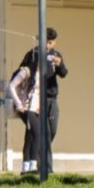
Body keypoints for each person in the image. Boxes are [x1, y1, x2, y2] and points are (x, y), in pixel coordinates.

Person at [16, 29, 67, 167]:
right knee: (34, 132)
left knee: (51, 131)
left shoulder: (56, 55)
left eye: (51, 43)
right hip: (35, 98)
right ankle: (37, 167)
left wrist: (60, 64)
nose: (48, 46)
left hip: (51, 98)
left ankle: (38, 160)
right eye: (46, 42)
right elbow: (21, 72)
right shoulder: (32, 54)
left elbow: (64, 73)